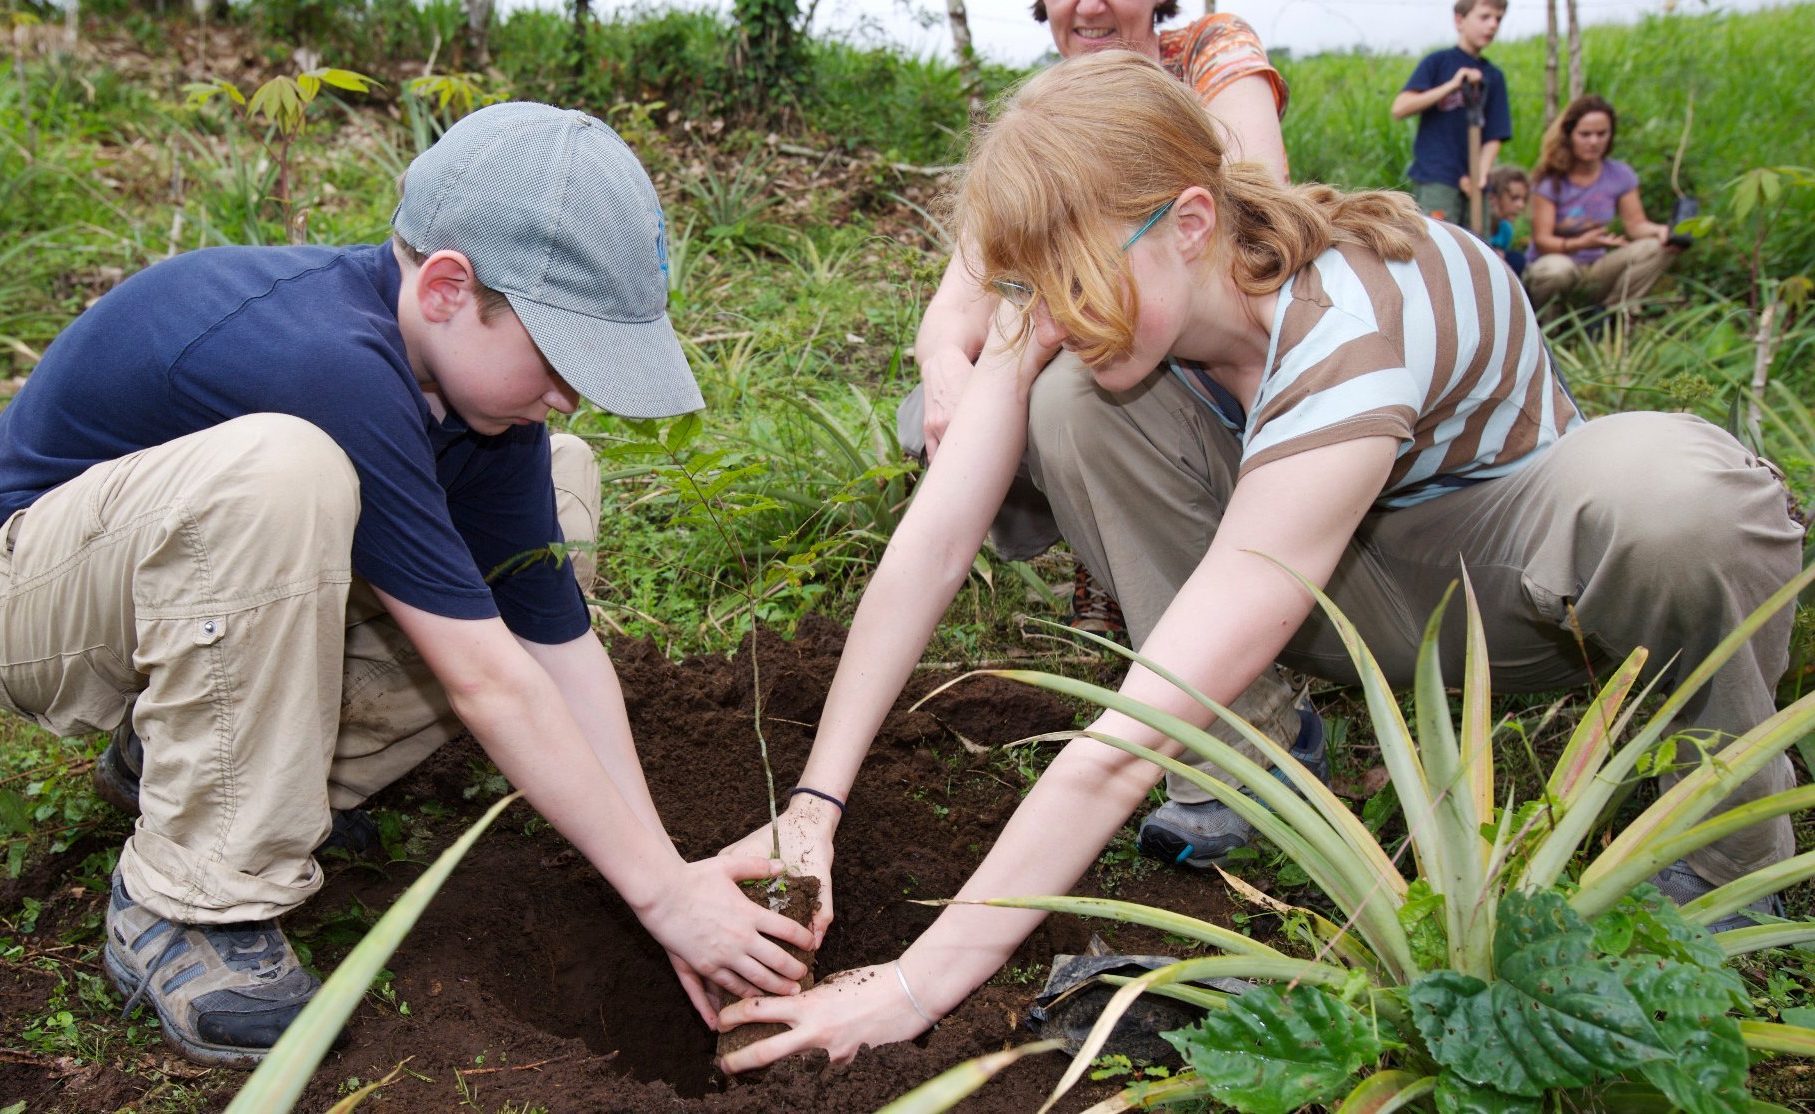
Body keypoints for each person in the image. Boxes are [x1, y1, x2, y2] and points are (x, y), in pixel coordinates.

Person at [715, 52, 1803, 1071]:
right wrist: (812, 806)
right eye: (1032, 291)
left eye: (1075, 281)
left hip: (1505, 594)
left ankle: (1723, 857)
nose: (1053, 315)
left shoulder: (1349, 326)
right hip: (1310, 581)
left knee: (1670, 496)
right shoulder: (1104, 283)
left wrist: (910, 987)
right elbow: (935, 544)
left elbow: (1126, 738)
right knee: (1071, 396)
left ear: (1190, 221)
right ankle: (1258, 749)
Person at [0, 102, 815, 1068]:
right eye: (560, 356)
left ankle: (182, 770)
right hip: (7, 591)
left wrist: (667, 880)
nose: (570, 393)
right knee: (285, 473)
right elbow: (485, 681)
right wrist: (661, 900)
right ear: (450, 288)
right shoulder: (325, 357)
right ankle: (186, 904)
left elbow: (555, 654)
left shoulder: (478, 405)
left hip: (174, 597)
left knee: (561, 481)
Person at [899, 0, 1290, 636]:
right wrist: (944, 362)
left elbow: (1248, 192)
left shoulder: (1211, 53)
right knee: (934, 407)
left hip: (1210, 370)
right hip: (1102, 360)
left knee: (1072, 389)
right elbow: (954, 307)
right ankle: (1111, 559)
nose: (1089, 6)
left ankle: (1200, 609)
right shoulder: (1042, 111)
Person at [1524, 94, 1683, 313]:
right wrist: (1580, 244)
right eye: (1585, 134)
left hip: (1597, 266)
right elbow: (1542, 240)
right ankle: (1548, 330)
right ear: (1569, 135)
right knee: (1556, 271)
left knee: (1656, 248)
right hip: (1555, 261)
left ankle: (1615, 315)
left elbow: (1636, 225)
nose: (1593, 142)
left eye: (1601, 134)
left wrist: (1661, 231)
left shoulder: (1620, 174)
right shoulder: (1549, 180)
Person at [1391, 0, 1511, 231]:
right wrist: (1452, 85)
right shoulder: (1437, 63)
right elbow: (1400, 108)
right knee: (1438, 245)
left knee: (1478, 248)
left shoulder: (1493, 76)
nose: (1492, 25)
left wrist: (1479, 176)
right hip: (1438, 177)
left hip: (1475, 181)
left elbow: (1495, 135)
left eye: (1498, 19)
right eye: (1485, 17)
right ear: (1460, 20)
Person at [1485, 162, 1530, 274]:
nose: (1521, 205)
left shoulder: (1506, 229)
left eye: (1524, 200)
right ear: (1492, 197)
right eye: (1514, 198)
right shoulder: (1476, 221)